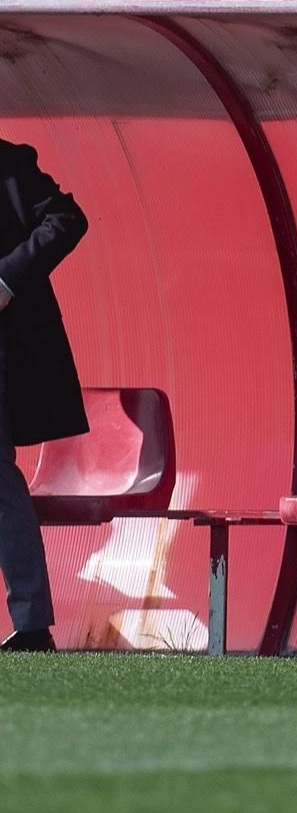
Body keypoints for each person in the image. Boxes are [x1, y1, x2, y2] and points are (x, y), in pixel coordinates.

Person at [0, 139, 89, 653]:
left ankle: (32, 623)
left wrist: (6, 278)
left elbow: (66, 219)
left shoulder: (8, 162)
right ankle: (31, 622)